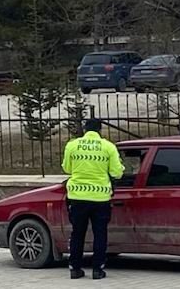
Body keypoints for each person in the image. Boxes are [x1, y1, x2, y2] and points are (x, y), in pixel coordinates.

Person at [62, 118, 124, 280]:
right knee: (100, 233)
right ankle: (98, 270)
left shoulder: (72, 145)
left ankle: (75, 269)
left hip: (77, 196)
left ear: (84, 129)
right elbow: (117, 172)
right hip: (100, 197)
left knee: (77, 233)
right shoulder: (108, 147)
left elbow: (67, 168)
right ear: (100, 130)